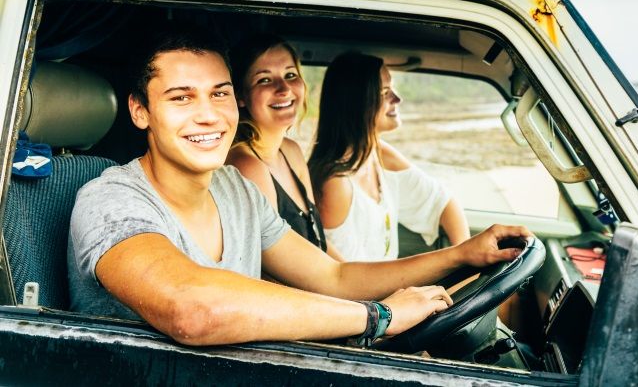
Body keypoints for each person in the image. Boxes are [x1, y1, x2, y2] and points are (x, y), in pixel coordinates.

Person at [67, 26, 532, 346]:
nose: (208, 114)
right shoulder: (111, 201)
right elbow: (193, 310)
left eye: (220, 93)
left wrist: (461, 254)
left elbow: (333, 277)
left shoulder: (234, 189)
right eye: (181, 98)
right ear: (139, 111)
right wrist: (380, 318)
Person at [309, 52, 471, 262]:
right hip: (366, 294)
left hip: (390, 290)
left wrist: (467, 258)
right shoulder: (336, 183)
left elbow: (444, 202)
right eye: (384, 92)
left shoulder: (378, 154)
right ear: (356, 104)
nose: (397, 98)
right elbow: (344, 278)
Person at [226, 34, 341, 259]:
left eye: (290, 75)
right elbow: (274, 267)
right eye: (265, 80)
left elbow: (318, 242)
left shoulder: (291, 151)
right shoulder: (246, 165)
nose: (284, 89)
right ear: (240, 95)